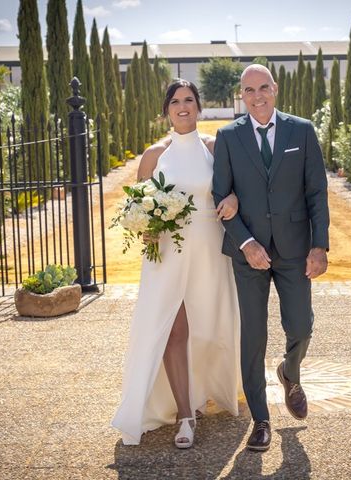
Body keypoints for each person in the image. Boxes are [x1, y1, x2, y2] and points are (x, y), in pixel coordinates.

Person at [111, 79, 241, 448]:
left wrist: (231, 198)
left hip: (210, 250)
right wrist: (146, 230)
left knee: (209, 327)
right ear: (165, 110)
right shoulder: (154, 155)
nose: (182, 107)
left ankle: (202, 394)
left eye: (188, 100)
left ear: (198, 107)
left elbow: (235, 190)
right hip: (167, 254)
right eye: (174, 101)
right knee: (174, 329)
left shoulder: (216, 148)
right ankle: (185, 414)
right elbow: (136, 206)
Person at [212, 64, 330, 452]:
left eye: (264, 88)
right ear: (241, 96)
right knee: (254, 335)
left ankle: (289, 372)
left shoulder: (302, 131)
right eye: (249, 90)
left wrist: (319, 245)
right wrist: (246, 243)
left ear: (275, 89)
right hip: (249, 254)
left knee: (301, 326)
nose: (257, 96)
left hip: (296, 248)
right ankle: (261, 419)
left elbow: (316, 192)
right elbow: (221, 196)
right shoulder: (228, 137)